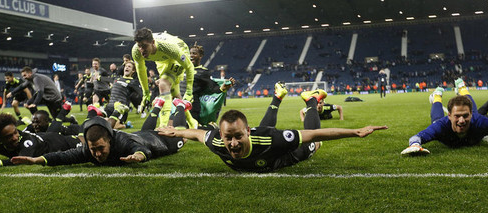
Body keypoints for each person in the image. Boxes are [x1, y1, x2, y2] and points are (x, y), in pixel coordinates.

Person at [158, 82, 387, 172]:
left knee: (314, 143)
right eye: (229, 137)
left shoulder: (273, 139)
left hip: (282, 157)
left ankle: (311, 100)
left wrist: (354, 132)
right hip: (261, 140)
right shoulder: (217, 140)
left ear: (246, 131)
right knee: (264, 132)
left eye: (238, 136)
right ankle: (277, 98)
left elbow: (314, 133)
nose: (233, 143)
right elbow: (198, 134)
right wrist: (175, 131)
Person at [11, 98, 190, 167]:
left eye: (100, 148)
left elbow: (144, 150)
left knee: (179, 134)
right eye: (93, 149)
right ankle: (158, 106)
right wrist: (37, 160)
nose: (96, 154)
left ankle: (181, 106)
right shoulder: (89, 150)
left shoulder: (120, 142)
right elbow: (64, 156)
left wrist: (139, 155)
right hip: (139, 134)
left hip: (159, 142)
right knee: (145, 131)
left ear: (110, 141)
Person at [401, 78, 488, 156]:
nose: (461, 120)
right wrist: (415, 145)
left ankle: (462, 87)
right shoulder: (441, 125)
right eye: (457, 116)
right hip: (441, 121)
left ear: (470, 115)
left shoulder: (479, 120)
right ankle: (437, 96)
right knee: (436, 118)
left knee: (472, 108)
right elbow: (417, 137)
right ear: (449, 116)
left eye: (465, 116)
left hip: (474, 116)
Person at [132, 27, 195, 127]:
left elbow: (189, 67)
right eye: (139, 46)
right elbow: (141, 71)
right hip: (162, 60)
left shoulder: (169, 48)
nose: (141, 50)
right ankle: (192, 121)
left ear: (153, 42)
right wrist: (146, 93)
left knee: (163, 83)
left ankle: (163, 127)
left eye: (144, 46)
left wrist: (189, 92)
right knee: (173, 92)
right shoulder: (136, 51)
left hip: (180, 49)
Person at [189, 43, 235, 128]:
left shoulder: (203, 72)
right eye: (190, 53)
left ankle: (211, 128)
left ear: (200, 56)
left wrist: (222, 88)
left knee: (191, 130)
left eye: (194, 53)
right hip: (178, 103)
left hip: (192, 105)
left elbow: (211, 87)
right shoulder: (183, 69)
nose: (191, 55)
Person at [8, 67, 76, 125]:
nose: (23, 78)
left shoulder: (36, 78)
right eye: (23, 76)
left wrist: (35, 103)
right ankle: (42, 120)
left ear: (30, 73)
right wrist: (12, 93)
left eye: (25, 75)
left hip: (54, 99)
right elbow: (21, 86)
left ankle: (72, 119)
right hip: (46, 97)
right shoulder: (30, 79)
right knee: (29, 103)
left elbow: (40, 91)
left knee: (58, 118)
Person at [100, 61, 141, 129]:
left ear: (133, 70)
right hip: (109, 107)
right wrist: (98, 77)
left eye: (129, 67)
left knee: (110, 126)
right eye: (126, 66)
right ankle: (122, 124)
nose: (127, 67)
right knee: (100, 123)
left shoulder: (133, 82)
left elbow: (140, 93)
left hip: (121, 108)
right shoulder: (117, 78)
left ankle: (125, 125)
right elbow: (107, 79)